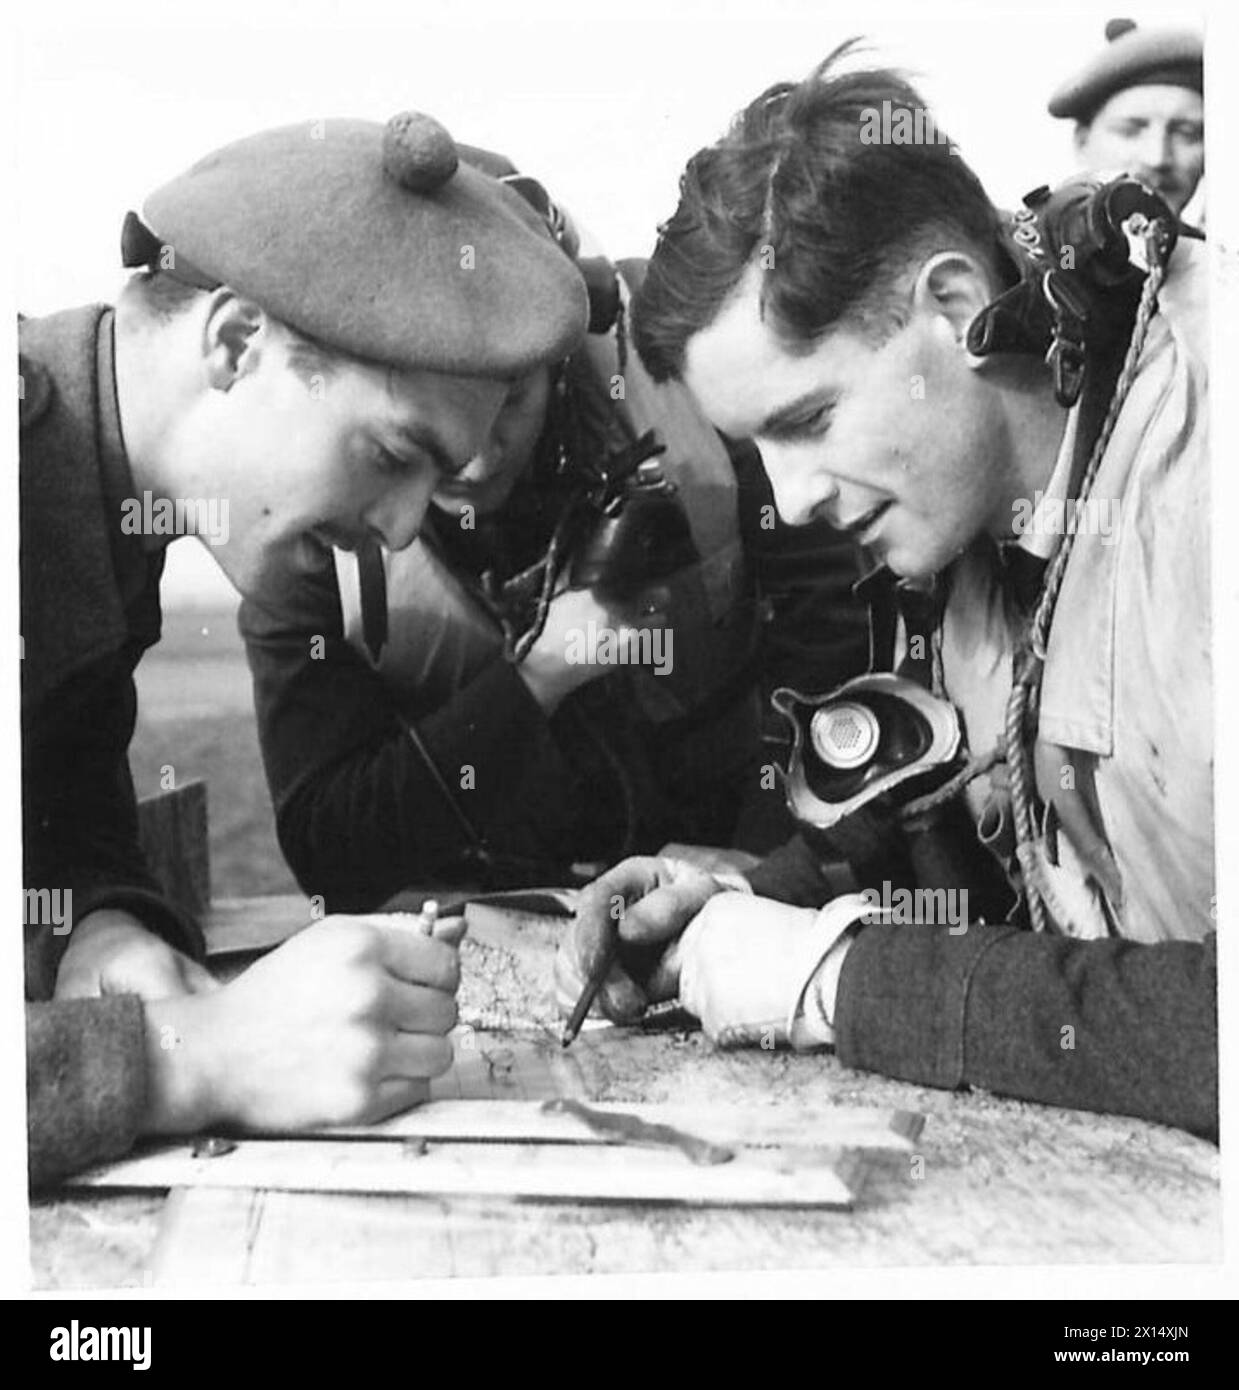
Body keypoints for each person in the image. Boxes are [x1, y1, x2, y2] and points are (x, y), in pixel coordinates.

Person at [555, 49, 1217, 1140]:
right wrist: (748, 900)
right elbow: (985, 826)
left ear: (954, 305)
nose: (793, 498)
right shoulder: (988, 488)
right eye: (754, 445)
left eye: (808, 420)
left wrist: (836, 982)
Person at [22, 110, 587, 1186]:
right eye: (391, 454)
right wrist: (190, 1061)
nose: (408, 528)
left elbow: (58, 819)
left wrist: (99, 932)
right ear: (237, 342)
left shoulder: (100, 502)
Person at [238, 156, 869, 911]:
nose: (470, 455)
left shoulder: (692, 374)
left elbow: (834, 634)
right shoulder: (312, 531)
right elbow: (327, 847)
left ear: (563, 363)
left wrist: (758, 871)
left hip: (727, 872)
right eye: (418, 423)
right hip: (483, 911)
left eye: (505, 398)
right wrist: (538, 679)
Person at [1049, 18, 1204, 220]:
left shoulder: (1219, 250)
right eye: (1130, 131)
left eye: (1186, 133)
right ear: (1082, 142)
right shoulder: (1045, 249)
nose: (1157, 158)